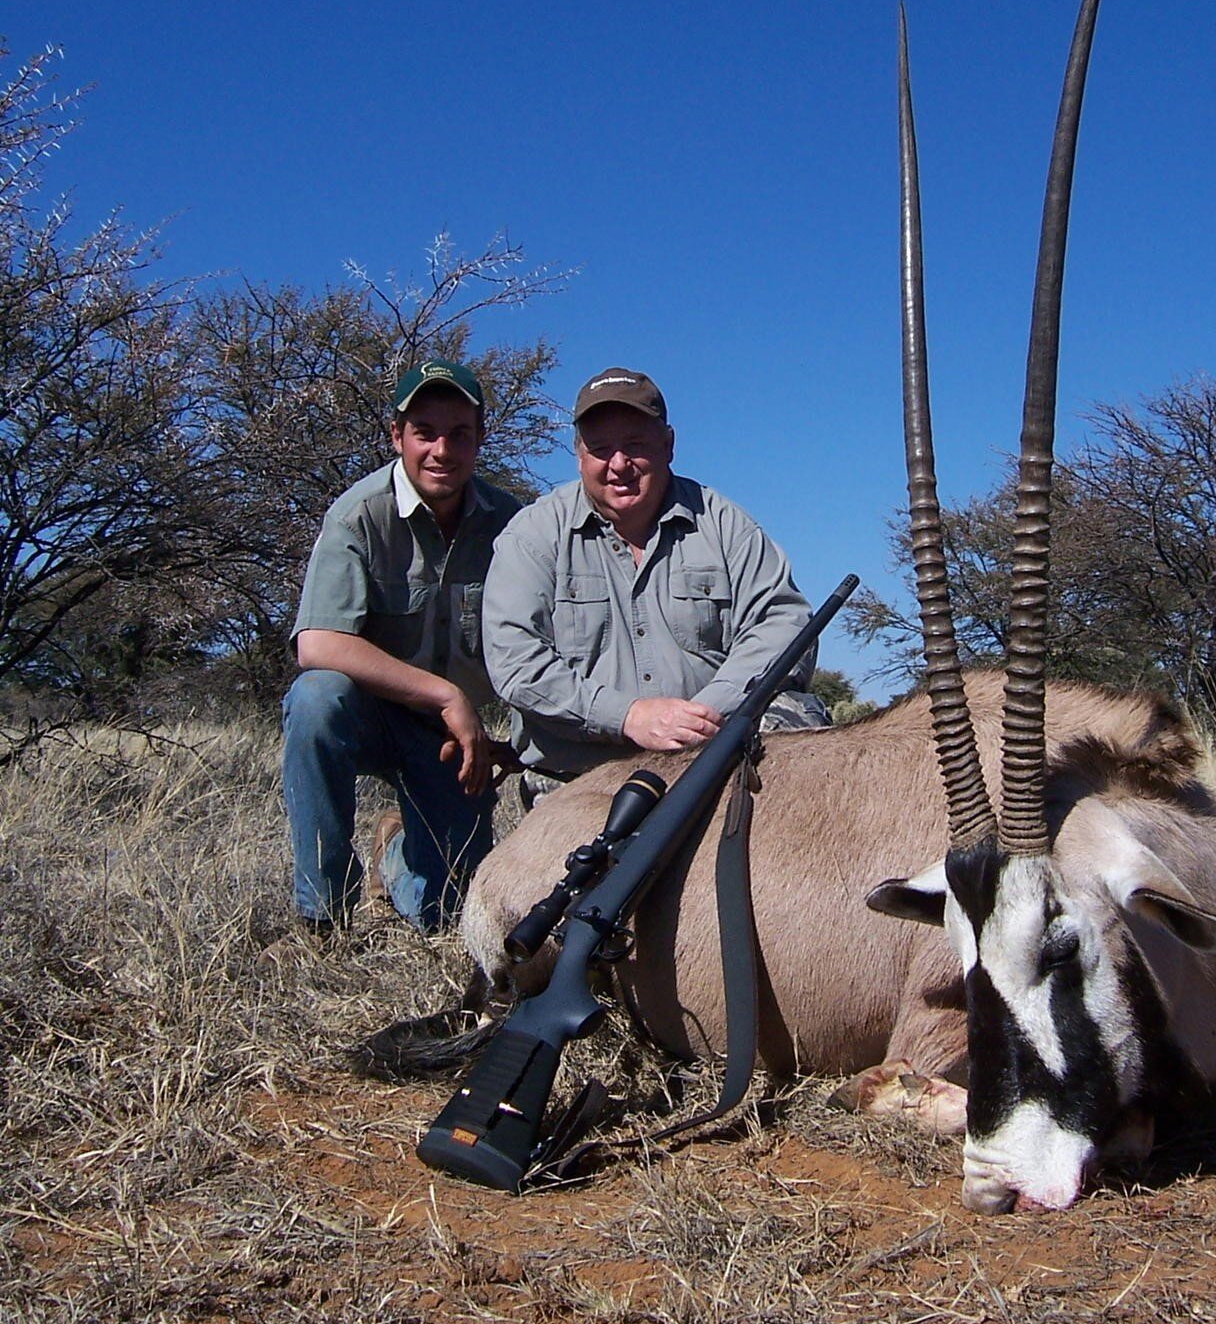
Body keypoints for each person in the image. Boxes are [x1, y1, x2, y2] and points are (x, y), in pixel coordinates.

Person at [482, 366, 827, 796]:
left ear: (669, 445)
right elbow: (515, 661)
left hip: (711, 756)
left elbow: (784, 623)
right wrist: (629, 717)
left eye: (636, 445)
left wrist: (704, 713)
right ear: (579, 455)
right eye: (601, 449)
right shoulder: (532, 535)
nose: (619, 464)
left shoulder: (722, 523)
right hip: (581, 778)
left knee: (800, 719)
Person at [283, 359, 522, 934]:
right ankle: (324, 913)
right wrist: (445, 696)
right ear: (397, 437)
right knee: (316, 699)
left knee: (445, 913)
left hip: (449, 742)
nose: (442, 450)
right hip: (371, 714)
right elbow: (316, 642)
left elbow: (541, 639)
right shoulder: (357, 515)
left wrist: (525, 738)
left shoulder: (514, 523)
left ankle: (394, 859)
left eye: (459, 433)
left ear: (481, 436)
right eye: (425, 433)